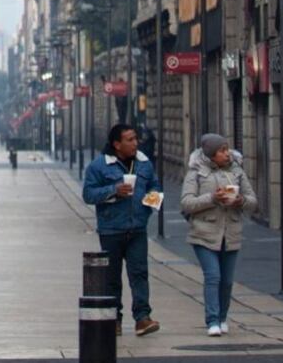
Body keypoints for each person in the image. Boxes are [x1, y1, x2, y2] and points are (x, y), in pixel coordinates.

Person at [82, 123, 163, 338]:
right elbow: (88, 194)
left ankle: (142, 318)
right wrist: (113, 190)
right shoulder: (99, 166)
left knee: (139, 274)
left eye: (136, 138)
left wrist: (148, 209)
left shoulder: (144, 163)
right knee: (112, 278)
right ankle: (113, 319)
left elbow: (156, 187)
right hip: (111, 230)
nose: (135, 143)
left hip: (137, 228)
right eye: (130, 140)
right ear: (117, 144)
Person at [179, 134, 257, 337]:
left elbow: (252, 201)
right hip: (203, 233)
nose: (227, 153)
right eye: (222, 150)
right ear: (212, 154)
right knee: (213, 276)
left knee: (227, 281)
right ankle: (212, 320)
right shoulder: (196, 172)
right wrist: (213, 198)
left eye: (227, 149)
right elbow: (187, 202)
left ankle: (223, 317)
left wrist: (239, 201)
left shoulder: (237, 170)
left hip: (231, 232)